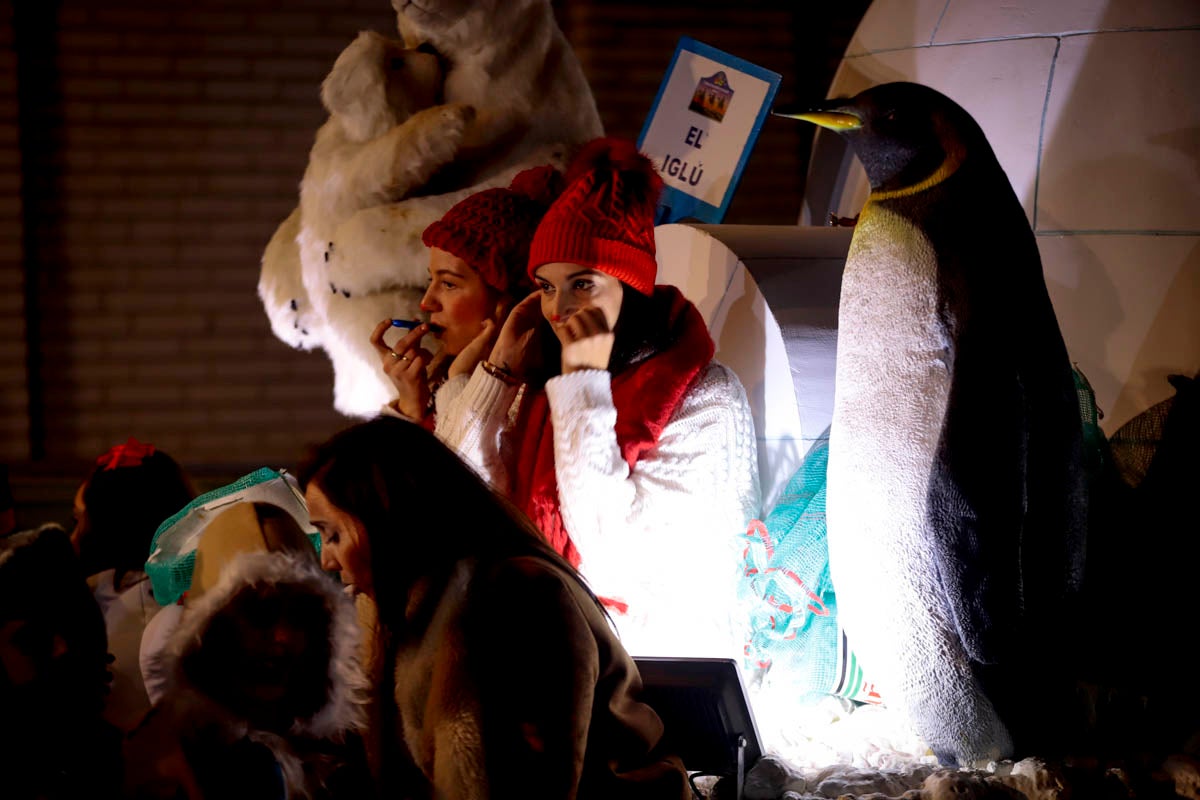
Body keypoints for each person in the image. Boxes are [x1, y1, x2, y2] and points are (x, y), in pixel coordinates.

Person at [435, 137, 761, 659]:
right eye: (544, 286)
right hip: (550, 654)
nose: (559, 307)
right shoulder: (548, 384)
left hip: (657, 672)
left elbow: (617, 561)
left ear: (629, 286)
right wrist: (492, 375)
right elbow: (457, 513)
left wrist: (583, 391)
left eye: (582, 284)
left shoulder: (703, 396)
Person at [297, 416, 691, 800]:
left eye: (332, 534)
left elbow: (533, 781)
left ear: (385, 518)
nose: (328, 561)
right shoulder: (393, 606)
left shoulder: (515, 597)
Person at [122, 502, 371, 800]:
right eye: (259, 613)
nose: (283, 637)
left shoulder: (343, 745)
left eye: (301, 615)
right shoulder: (164, 757)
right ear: (210, 629)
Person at [368, 165, 563, 425]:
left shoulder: (541, 407)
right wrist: (409, 406)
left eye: (449, 284)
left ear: (513, 300)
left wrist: (459, 382)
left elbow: (462, 464)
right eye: (431, 279)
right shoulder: (436, 386)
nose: (426, 303)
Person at [71, 436, 196, 732]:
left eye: (79, 520)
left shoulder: (92, 604)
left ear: (109, 527)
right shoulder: (202, 594)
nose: (73, 537)